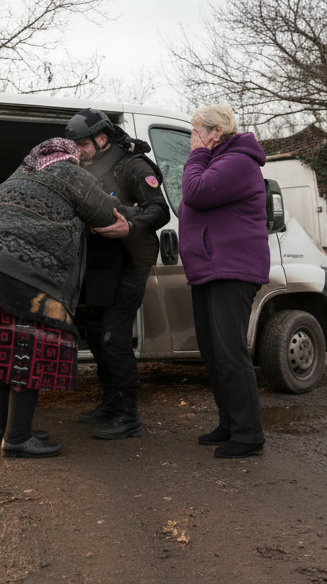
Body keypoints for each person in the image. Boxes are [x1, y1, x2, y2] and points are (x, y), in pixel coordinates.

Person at [0, 138, 131, 458]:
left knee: (2, 353)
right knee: (26, 351)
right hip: (22, 276)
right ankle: (18, 437)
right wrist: (129, 218)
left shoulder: (18, 174)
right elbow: (108, 215)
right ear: (71, 155)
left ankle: (2, 426)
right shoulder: (72, 174)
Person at [65, 108, 170, 440]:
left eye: (82, 144)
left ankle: (128, 415)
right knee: (95, 335)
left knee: (114, 338)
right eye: (74, 145)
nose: (77, 151)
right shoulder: (83, 170)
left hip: (129, 262)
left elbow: (159, 211)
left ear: (101, 138)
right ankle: (111, 403)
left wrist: (131, 224)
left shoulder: (133, 165)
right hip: (98, 264)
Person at [178, 103, 270, 458]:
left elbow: (195, 193)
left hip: (231, 269)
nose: (191, 140)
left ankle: (249, 435)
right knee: (214, 352)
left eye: (194, 131)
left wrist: (197, 157)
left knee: (230, 353)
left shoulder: (238, 162)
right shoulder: (218, 162)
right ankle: (230, 423)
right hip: (209, 270)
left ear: (214, 132)